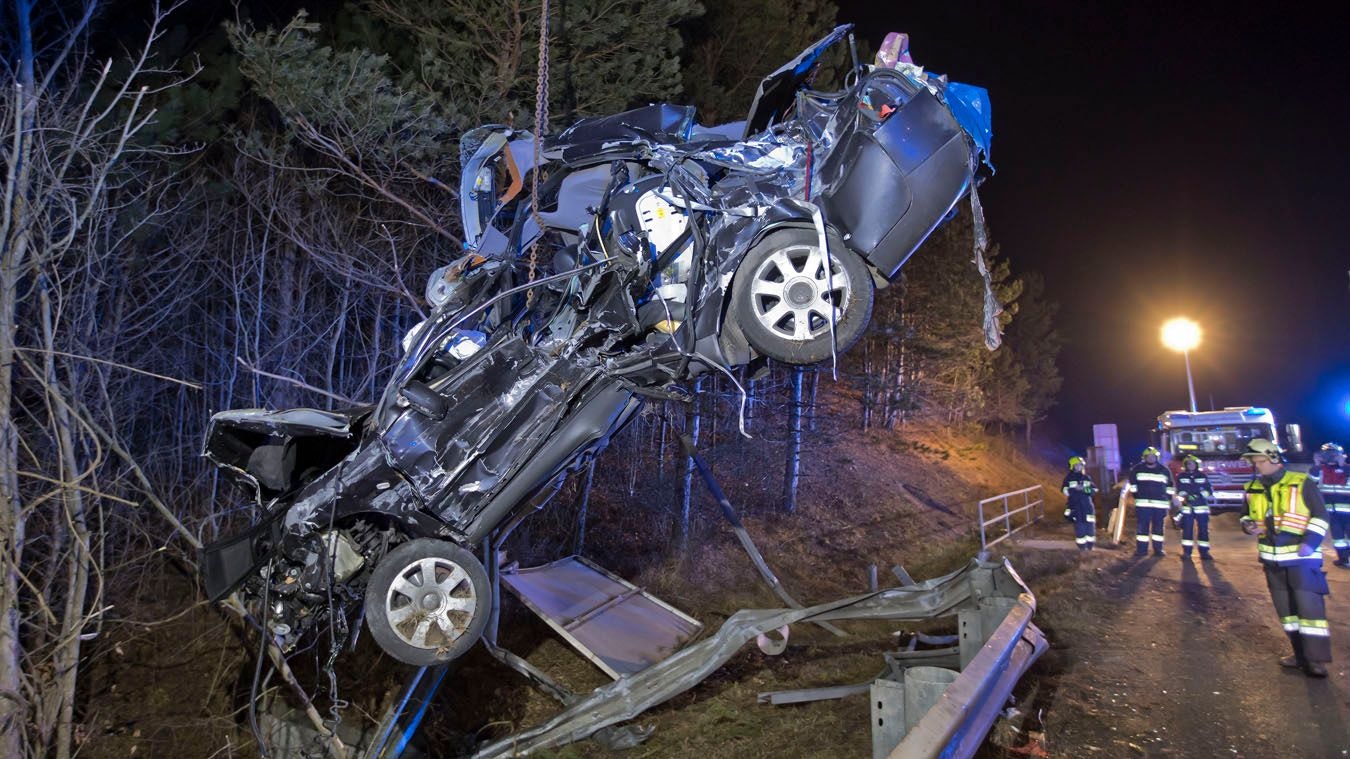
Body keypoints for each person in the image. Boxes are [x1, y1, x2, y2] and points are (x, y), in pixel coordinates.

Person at [1238, 438, 1332, 678]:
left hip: (1302, 560)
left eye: (1259, 461)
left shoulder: (1301, 483)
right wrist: (1248, 526)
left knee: (1310, 612)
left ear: (1274, 458)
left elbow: (1321, 516)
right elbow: (1245, 516)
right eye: (1253, 462)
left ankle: (1315, 661)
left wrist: (1309, 544)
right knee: (1287, 613)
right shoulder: (1253, 488)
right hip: (1272, 561)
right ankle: (1299, 655)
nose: (1256, 466)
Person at [1128, 446, 1175, 556]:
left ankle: (1158, 550)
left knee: (1158, 529)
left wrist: (1168, 500)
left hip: (1160, 506)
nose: (1150, 458)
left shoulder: (1164, 470)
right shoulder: (1137, 469)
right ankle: (1141, 550)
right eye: (1148, 456)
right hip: (1143, 505)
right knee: (1142, 529)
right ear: (1144, 458)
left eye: (1152, 456)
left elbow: (1170, 487)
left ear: (1156, 457)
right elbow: (1133, 485)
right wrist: (1137, 496)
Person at [1309, 442, 1350, 568]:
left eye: (1333, 454)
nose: (1330, 457)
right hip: (1330, 511)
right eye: (1327, 454)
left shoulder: (1347, 469)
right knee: (1338, 538)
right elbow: (1311, 483)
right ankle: (1343, 559)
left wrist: (1342, 465)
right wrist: (1316, 465)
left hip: (1347, 511)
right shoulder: (1319, 470)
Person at [1173, 454, 1214, 560]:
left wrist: (1198, 495)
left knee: (1203, 531)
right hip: (1187, 508)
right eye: (1189, 464)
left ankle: (1204, 553)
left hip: (1201, 508)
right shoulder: (1181, 476)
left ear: (1196, 465)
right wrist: (1186, 496)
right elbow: (1179, 490)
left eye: (1192, 464)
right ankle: (1187, 552)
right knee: (1187, 531)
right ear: (1185, 465)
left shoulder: (1202, 476)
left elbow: (1208, 491)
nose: (1191, 465)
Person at [1061, 456, 1097, 551]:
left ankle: (1090, 546)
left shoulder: (1087, 477)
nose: (1079, 467)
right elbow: (1065, 491)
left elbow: (1094, 490)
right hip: (1076, 507)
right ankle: (1082, 548)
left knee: (1090, 527)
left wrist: (1085, 489)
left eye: (1081, 465)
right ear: (1072, 466)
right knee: (1079, 528)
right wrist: (1075, 489)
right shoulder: (1068, 479)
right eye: (1077, 465)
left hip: (1088, 507)